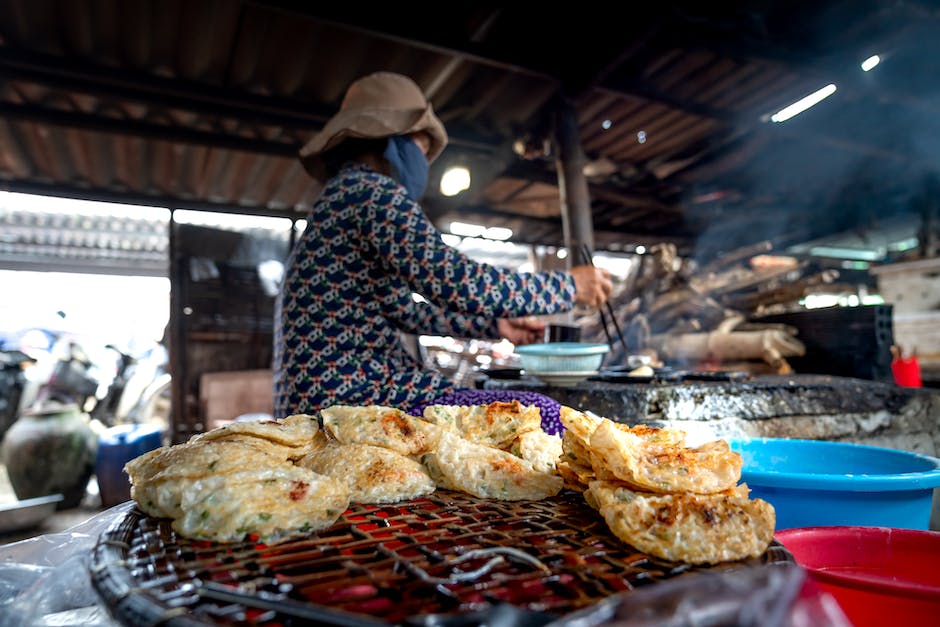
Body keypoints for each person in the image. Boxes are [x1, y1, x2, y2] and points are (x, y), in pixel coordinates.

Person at [273, 71, 612, 416]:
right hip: (353, 394)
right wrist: (568, 285)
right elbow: (457, 282)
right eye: (420, 148)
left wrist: (494, 326)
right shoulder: (373, 193)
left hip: (314, 396)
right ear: (393, 142)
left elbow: (405, 310)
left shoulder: (341, 197)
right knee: (543, 416)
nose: (423, 162)